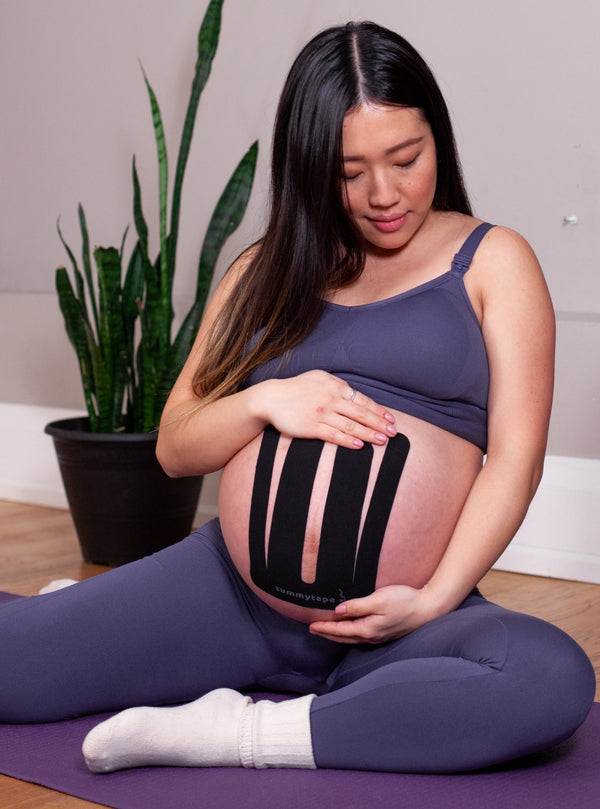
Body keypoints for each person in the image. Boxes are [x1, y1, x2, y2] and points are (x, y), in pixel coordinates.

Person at [0, 21, 595, 775]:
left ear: (437, 141)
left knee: (547, 677)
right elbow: (175, 446)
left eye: (406, 158)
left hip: (398, 624)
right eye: (350, 171)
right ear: (310, 167)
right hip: (230, 598)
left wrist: (435, 599)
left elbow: (516, 459)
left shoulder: (492, 261)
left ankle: (237, 733)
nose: (384, 194)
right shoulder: (263, 271)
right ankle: (102, 621)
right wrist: (266, 401)